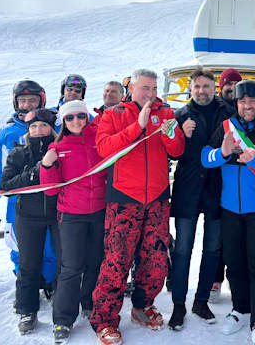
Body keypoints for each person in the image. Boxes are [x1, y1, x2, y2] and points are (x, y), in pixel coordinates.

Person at [89, 69, 185, 345]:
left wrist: (170, 133)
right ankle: (105, 320)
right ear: (131, 88)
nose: (151, 94)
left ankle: (143, 306)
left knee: (155, 260)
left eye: (154, 89)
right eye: (145, 88)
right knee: (117, 261)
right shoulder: (114, 114)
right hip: (123, 198)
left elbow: (177, 150)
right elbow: (104, 148)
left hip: (156, 198)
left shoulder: (165, 112)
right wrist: (138, 126)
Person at [201, 80, 255, 345]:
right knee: (234, 262)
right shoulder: (227, 127)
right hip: (230, 210)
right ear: (236, 103)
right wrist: (222, 152)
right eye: (241, 101)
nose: (246, 106)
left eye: (251, 101)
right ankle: (240, 309)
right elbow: (206, 157)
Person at [167, 70, 233, 330]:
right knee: (183, 250)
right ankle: (179, 304)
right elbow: (170, 153)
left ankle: (201, 299)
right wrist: (180, 134)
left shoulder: (228, 112)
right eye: (197, 86)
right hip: (188, 189)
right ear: (190, 89)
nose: (201, 90)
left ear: (214, 87)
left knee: (213, 248)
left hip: (218, 189)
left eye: (206, 86)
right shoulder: (179, 116)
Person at [40, 100, 106, 344]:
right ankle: (63, 319)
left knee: (95, 261)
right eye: (71, 118)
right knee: (71, 267)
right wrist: (47, 164)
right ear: (64, 122)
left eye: (81, 116)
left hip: (99, 211)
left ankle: (88, 302)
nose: (77, 121)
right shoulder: (58, 146)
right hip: (71, 215)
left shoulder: (98, 138)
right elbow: (49, 190)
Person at [0, 80, 58, 297]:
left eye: (32, 100)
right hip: (17, 200)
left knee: (50, 246)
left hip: (48, 199)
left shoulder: (51, 126)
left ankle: (49, 282)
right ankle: (26, 285)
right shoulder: (8, 131)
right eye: (22, 100)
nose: (27, 105)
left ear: (41, 101)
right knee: (19, 246)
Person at [0, 108, 61, 335]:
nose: (38, 130)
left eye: (43, 126)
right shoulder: (19, 154)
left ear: (51, 129)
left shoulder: (61, 151)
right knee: (28, 263)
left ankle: (62, 303)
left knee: (64, 260)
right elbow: (7, 186)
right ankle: (27, 308)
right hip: (28, 215)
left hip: (58, 214)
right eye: (33, 126)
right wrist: (35, 171)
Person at [210, 67, 243, 299]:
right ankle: (215, 278)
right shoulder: (217, 110)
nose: (230, 88)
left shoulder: (245, 110)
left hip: (236, 180)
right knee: (218, 235)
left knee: (233, 235)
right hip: (215, 177)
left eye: (234, 85)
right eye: (227, 85)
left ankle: (235, 278)